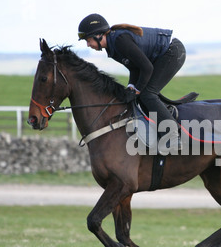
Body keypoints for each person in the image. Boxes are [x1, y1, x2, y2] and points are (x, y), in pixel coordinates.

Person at [78, 13, 185, 154]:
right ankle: (160, 120)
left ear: (99, 35)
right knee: (141, 95)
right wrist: (131, 87)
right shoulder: (112, 46)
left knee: (147, 94)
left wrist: (138, 90)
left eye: (88, 40)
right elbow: (135, 67)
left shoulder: (119, 41)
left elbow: (147, 68)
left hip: (172, 52)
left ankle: (173, 135)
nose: (88, 44)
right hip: (161, 57)